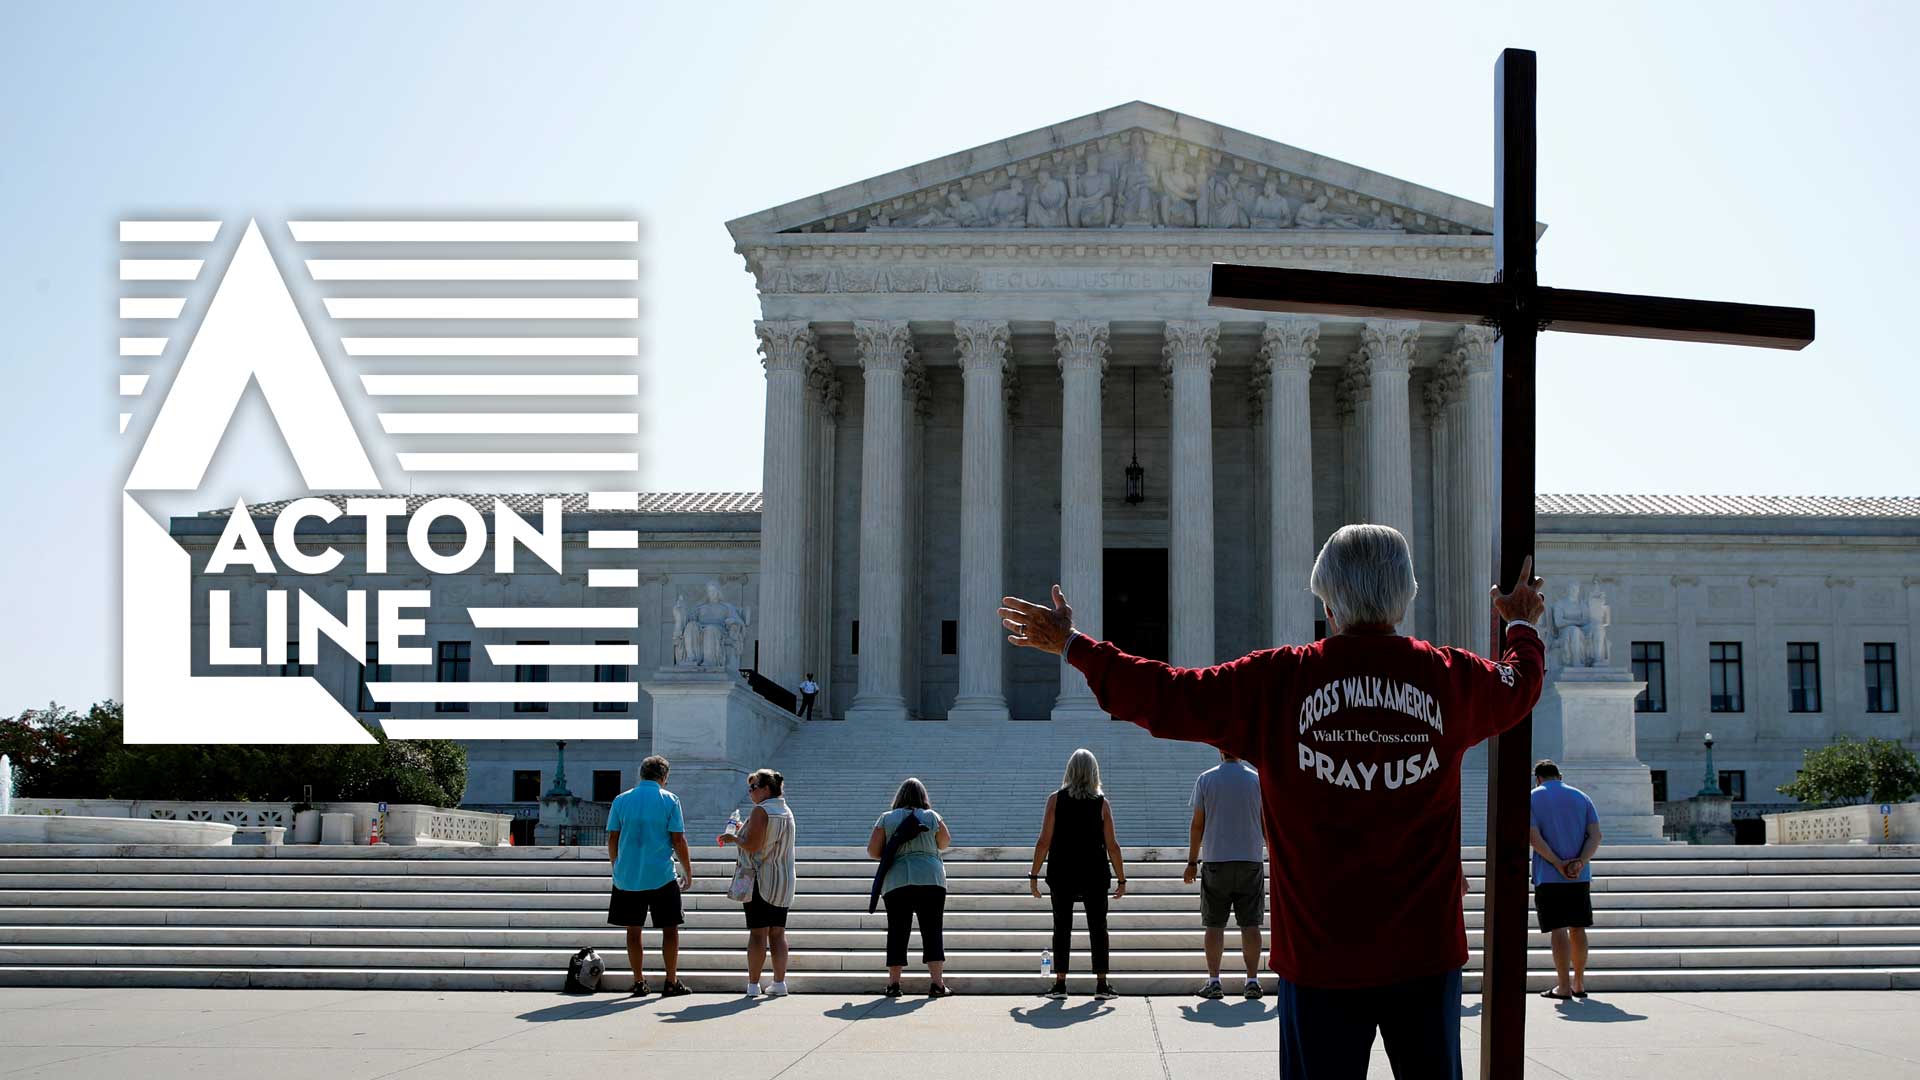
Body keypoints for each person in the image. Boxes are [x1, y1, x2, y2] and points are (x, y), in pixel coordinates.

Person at [999, 525, 1547, 1079]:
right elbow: (1520, 683)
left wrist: (1073, 646)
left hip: (1319, 956)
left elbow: (1167, 696)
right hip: (1424, 953)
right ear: (1406, 596)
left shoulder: (1280, 680)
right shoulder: (1447, 677)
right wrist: (1520, 624)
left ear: (1328, 605)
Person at [1029, 748, 1126, 1001]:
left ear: (1069, 771)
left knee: (1061, 926)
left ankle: (1060, 984)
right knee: (1098, 926)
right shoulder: (1102, 804)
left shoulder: (1055, 800)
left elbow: (1043, 841)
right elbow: (1112, 845)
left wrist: (1034, 874)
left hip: (1062, 870)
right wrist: (1121, 878)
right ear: (1094, 772)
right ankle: (1102, 984)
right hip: (1094, 871)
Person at [606, 754, 694, 997]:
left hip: (628, 876)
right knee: (670, 929)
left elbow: (613, 836)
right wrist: (688, 869)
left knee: (633, 931)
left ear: (641, 774)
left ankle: (638, 981)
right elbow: (678, 839)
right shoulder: (670, 800)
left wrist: (617, 864)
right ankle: (670, 980)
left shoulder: (621, 800)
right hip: (661, 875)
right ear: (664, 777)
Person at [1187, 750, 1267, 1000]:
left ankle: (1214, 981)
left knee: (1214, 924)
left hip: (1216, 859)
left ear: (1220, 750)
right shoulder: (1256, 780)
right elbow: (1266, 823)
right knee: (1250, 924)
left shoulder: (1206, 779)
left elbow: (1198, 823)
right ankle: (1252, 980)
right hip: (1250, 859)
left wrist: (1191, 861)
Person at [868, 777, 953, 997]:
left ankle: (894, 984)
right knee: (932, 930)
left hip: (897, 880)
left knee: (897, 931)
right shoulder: (932, 817)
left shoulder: (886, 819)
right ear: (924, 797)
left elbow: (873, 851)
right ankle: (937, 984)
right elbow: (944, 843)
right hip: (931, 879)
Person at [718, 768, 797, 998]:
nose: (750, 792)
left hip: (760, 880)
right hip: (782, 880)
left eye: (753, 787)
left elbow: (753, 846)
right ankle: (779, 982)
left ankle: (754, 984)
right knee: (778, 933)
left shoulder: (761, 811)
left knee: (758, 933)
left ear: (766, 789)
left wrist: (734, 837)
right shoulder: (785, 810)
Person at [1529, 759, 1601, 1000]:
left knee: (1558, 928)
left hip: (1549, 875)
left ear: (1537, 777)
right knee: (1578, 927)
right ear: (1559, 775)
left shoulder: (1532, 797)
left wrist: (1557, 863)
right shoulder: (1582, 797)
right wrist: (1580, 861)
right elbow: (1595, 835)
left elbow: (1534, 838)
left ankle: (1563, 985)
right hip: (1579, 875)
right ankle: (1579, 982)